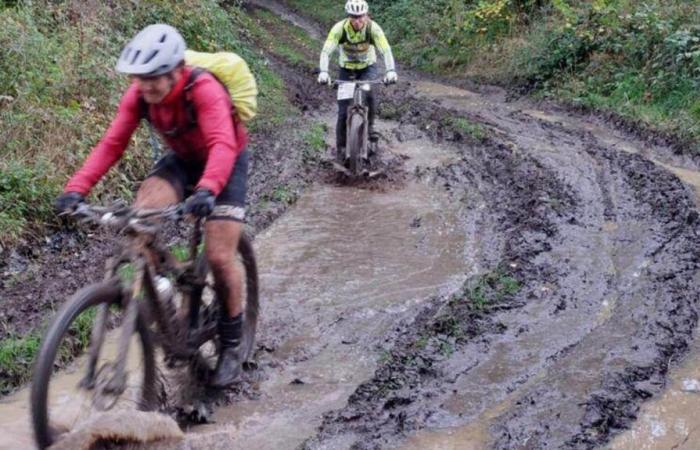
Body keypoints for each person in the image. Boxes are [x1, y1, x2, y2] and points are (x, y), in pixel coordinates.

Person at [54, 24, 249, 387]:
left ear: (177, 70)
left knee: (221, 257)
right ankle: (167, 298)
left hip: (226, 161)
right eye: (139, 79)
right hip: (181, 160)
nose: (145, 86)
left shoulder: (203, 89)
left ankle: (233, 346)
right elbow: (112, 144)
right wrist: (76, 189)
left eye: (153, 78)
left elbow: (222, 143)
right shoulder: (139, 96)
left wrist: (207, 190)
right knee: (140, 221)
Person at [317, 0, 397, 160]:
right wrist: (324, 72)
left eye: (361, 17)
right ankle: (341, 148)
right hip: (346, 69)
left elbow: (385, 50)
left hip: (368, 67)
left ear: (366, 16)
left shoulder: (373, 28)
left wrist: (391, 71)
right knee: (342, 110)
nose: (357, 21)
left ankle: (372, 131)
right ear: (348, 17)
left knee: (371, 96)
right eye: (354, 17)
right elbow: (326, 51)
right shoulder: (339, 29)